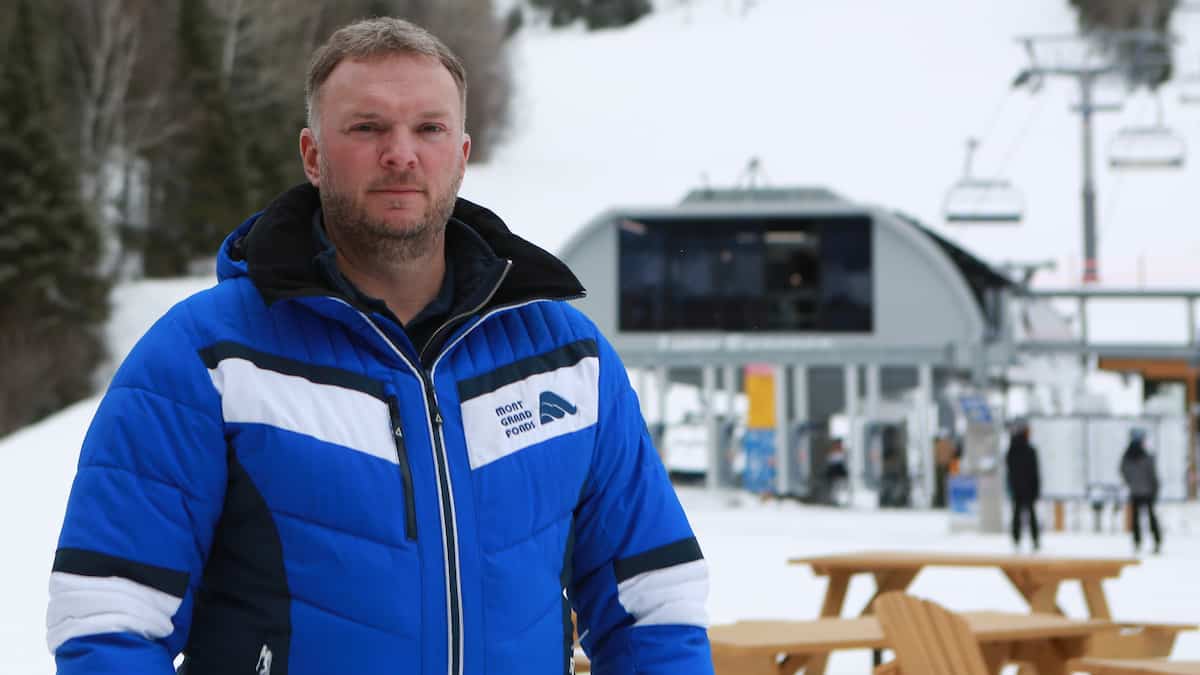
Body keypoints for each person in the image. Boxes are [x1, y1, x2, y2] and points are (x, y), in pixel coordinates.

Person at [46, 18, 712, 675]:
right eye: (367, 128)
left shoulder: (565, 359)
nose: (401, 154)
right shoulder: (207, 359)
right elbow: (109, 617)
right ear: (312, 155)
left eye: (429, 128)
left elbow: (655, 607)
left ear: (462, 153)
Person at [1120, 427, 1162, 554]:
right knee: (1151, 517)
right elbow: (1152, 475)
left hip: (1135, 491)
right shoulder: (1147, 456)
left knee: (1136, 518)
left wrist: (1131, 483)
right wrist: (1155, 488)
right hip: (1148, 491)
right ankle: (1156, 541)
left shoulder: (1127, 456)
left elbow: (1123, 471)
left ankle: (1137, 542)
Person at [1005, 418, 1041, 552]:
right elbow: (1035, 472)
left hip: (1016, 488)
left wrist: (1012, 486)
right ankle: (1034, 539)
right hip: (1029, 489)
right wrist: (1036, 489)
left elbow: (1010, 471)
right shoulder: (1030, 450)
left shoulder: (1012, 450)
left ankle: (1016, 539)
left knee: (1016, 514)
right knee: (1031, 514)